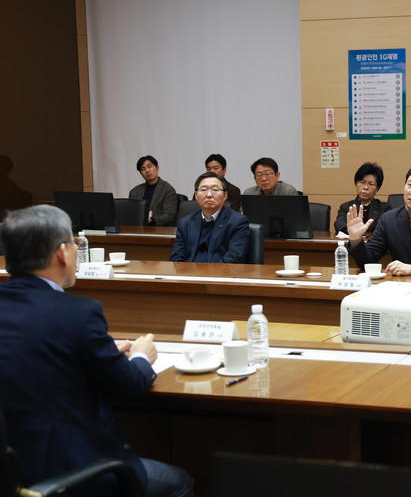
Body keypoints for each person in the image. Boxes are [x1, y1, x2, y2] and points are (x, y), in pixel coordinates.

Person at [0, 205, 194, 496]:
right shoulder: (78, 313)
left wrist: (98, 349)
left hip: (11, 469)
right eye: (75, 243)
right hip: (68, 472)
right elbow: (129, 385)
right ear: (61, 253)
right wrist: (142, 356)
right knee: (180, 483)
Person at [170, 172, 249, 263]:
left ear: (225, 195)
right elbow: (176, 257)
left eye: (215, 190)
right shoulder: (185, 223)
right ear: (196, 196)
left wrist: (205, 271)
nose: (209, 195)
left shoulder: (237, 221)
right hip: (189, 270)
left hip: (220, 271)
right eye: (204, 190)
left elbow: (233, 258)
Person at [334, 162, 391, 234]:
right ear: (356, 184)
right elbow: (338, 224)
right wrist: (352, 231)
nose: (365, 187)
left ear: (377, 189)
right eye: (362, 182)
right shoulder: (346, 207)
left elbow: (386, 228)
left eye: (371, 184)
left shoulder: (384, 208)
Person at [128, 155, 178, 226]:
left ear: (157, 168)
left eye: (149, 167)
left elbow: (169, 215)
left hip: (159, 229)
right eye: (143, 169)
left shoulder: (168, 189)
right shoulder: (134, 192)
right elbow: (131, 214)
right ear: (141, 173)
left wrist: (152, 220)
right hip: (138, 228)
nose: (147, 171)